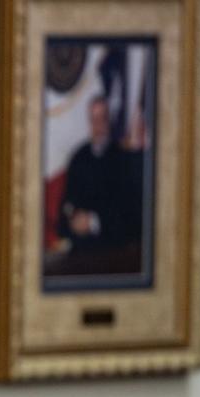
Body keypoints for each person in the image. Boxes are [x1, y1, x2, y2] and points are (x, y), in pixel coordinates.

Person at [53, 95, 146, 271]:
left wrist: (94, 222)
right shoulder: (78, 157)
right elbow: (64, 212)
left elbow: (133, 220)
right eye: (93, 119)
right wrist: (73, 221)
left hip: (115, 255)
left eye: (102, 118)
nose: (98, 125)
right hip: (80, 254)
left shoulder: (124, 159)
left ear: (109, 120)